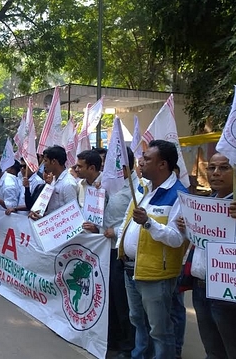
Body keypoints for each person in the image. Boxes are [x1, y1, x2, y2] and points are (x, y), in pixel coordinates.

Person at [178, 153, 236, 359]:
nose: (216, 173)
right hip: (201, 288)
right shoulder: (204, 205)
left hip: (231, 293)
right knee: (213, 350)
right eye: (211, 168)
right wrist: (186, 229)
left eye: (224, 168)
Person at [116, 140, 188, 359]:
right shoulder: (142, 188)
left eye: (147, 158)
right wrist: (121, 246)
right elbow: (126, 222)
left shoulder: (179, 195)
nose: (141, 161)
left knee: (160, 329)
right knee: (137, 321)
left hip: (156, 274)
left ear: (162, 164)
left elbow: (177, 239)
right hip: (131, 269)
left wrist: (148, 222)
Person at [102, 147, 138, 359]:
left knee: (124, 302)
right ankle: (113, 339)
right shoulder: (109, 187)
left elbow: (135, 220)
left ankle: (128, 346)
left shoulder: (136, 190)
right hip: (106, 250)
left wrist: (114, 231)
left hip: (121, 252)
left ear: (122, 167)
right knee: (112, 299)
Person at [29, 145, 79, 220]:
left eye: (45, 161)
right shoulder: (53, 180)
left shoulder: (68, 183)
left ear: (53, 162)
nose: (44, 164)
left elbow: (72, 213)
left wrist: (48, 218)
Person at [74, 149, 104, 233]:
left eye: (80, 167)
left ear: (92, 168)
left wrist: (97, 229)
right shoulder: (80, 185)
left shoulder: (106, 185)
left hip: (100, 240)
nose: (76, 169)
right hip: (82, 237)